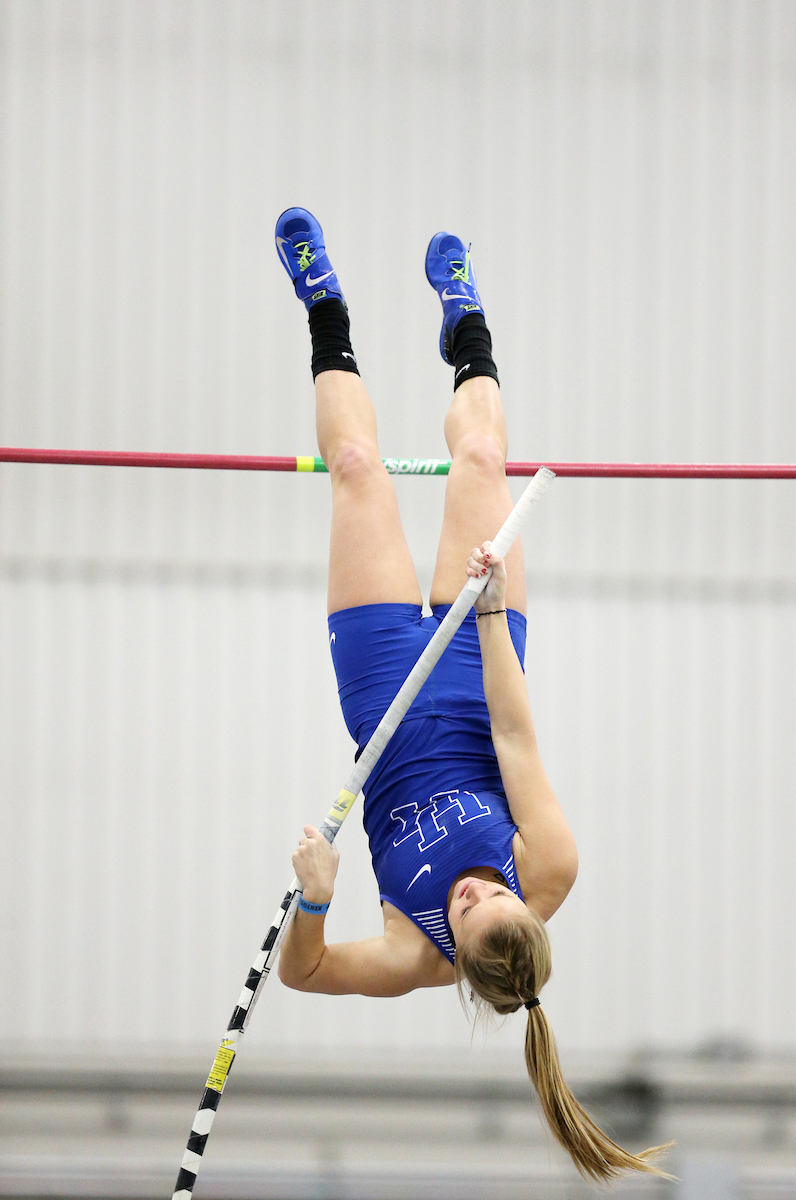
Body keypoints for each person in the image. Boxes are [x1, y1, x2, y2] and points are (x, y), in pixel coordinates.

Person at [273, 209, 668, 1183]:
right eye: (498, 892)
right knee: (481, 463)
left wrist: (315, 903)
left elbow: (307, 971)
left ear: (455, 947)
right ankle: (468, 328)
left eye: (470, 903)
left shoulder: (414, 948)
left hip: (381, 698)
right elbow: (515, 736)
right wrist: (488, 609)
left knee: (359, 473)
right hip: (475, 664)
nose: (479, 888)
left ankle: (325, 307)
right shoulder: (552, 867)